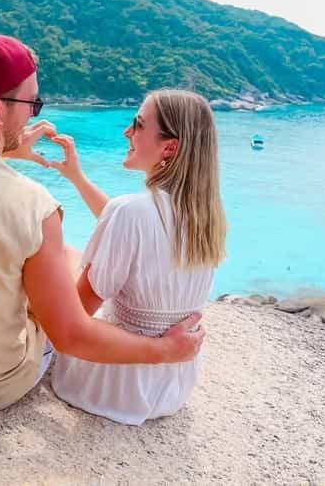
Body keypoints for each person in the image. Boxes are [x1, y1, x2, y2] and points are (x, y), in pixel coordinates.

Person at [0, 34, 205, 418]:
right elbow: (71, 336)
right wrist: (167, 350)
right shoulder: (34, 206)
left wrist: (2, 151)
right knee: (70, 260)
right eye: (32, 102)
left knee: (43, 258)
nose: (33, 114)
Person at [48, 89, 228, 425]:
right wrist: (76, 178)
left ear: (169, 147)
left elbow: (75, 317)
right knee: (73, 257)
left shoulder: (131, 213)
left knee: (61, 255)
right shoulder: (207, 216)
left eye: (138, 124)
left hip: (116, 381)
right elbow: (135, 233)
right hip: (172, 384)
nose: (127, 132)